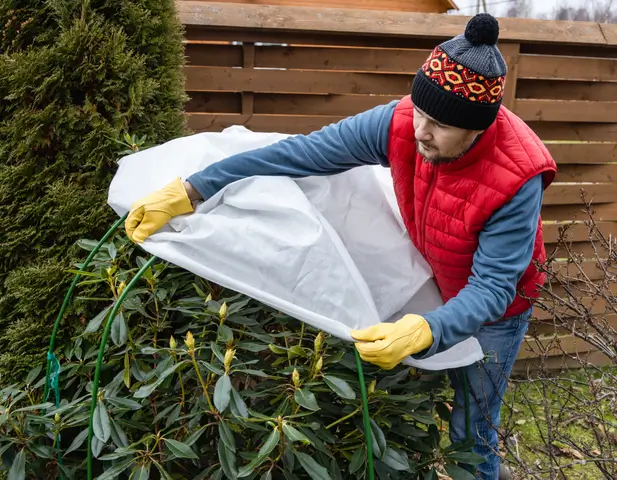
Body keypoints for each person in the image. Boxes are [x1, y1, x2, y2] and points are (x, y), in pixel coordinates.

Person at [125, 13, 556, 480]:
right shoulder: (400, 123)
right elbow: (300, 154)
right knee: (438, 410)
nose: (421, 132)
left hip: (498, 310)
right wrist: (196, 189)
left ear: (477, 128)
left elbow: (493, 286)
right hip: (438, 278)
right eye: (420, 113)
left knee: (471, 432)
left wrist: (426, 330)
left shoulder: (517, 175)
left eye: (439, 125)